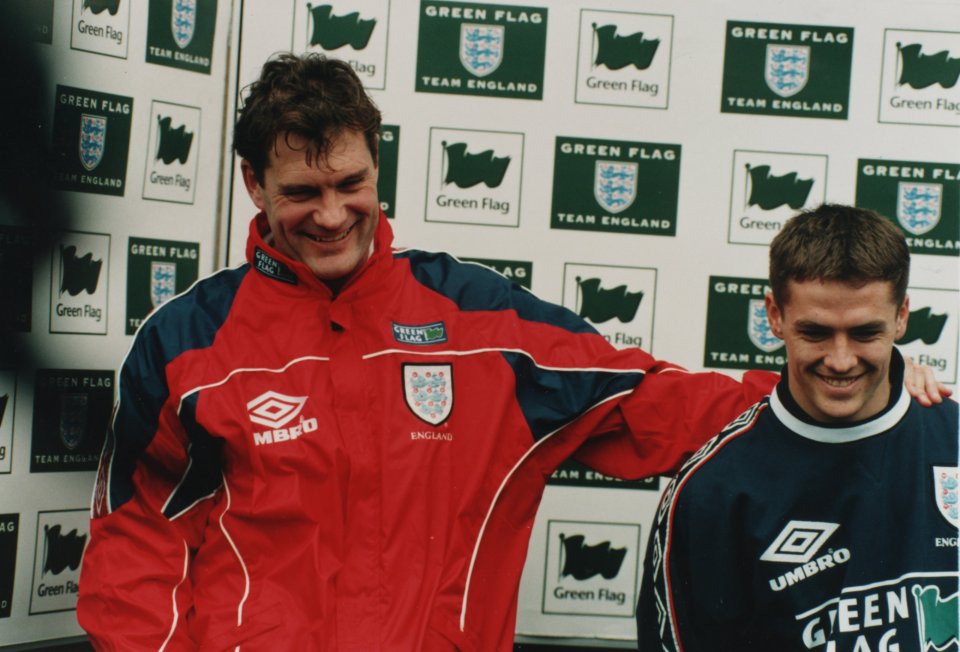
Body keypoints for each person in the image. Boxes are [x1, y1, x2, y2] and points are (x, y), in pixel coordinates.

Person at [75, 55, 943, 650]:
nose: (332, 215)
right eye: (302, 192)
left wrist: (854, 381)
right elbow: (134, 546)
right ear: (253, 185)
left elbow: (650, 404)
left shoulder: (479, 319)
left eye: (351, 185)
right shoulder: (188, 343)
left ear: (378, 170)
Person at [636, 204, 958, 652]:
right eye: (816, 333)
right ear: (775, 315)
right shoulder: (713, 490)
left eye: (865, 333)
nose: (841, 360)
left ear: (902, 316)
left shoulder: (953, 443)